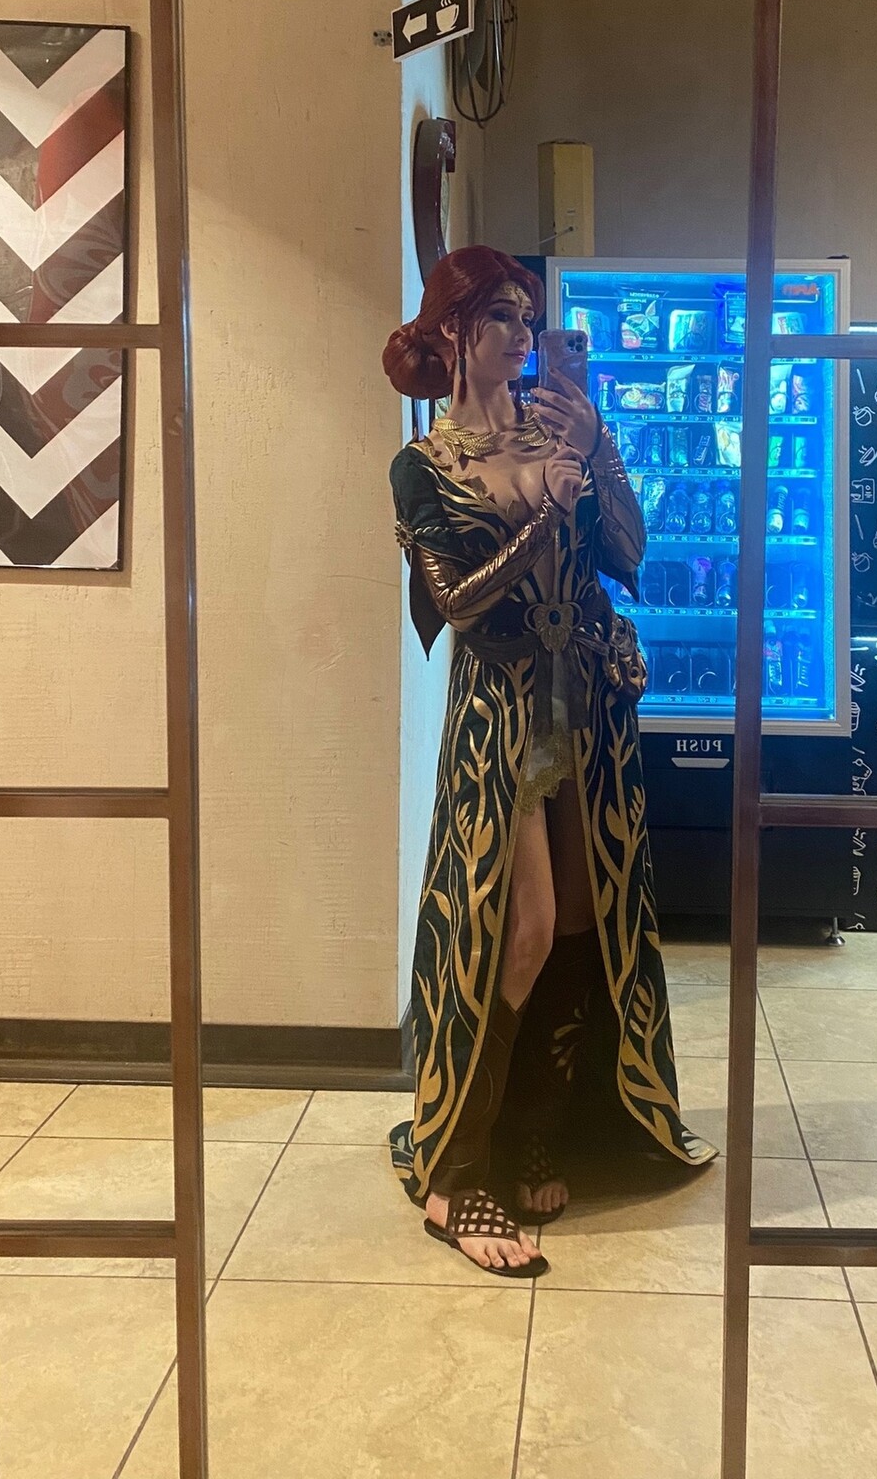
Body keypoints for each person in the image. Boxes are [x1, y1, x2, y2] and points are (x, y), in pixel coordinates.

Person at [382, 245, 717, 1277]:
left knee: (584, 917)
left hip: (590, 707)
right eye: (502, 317)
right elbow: (455, 600)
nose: (523, 336)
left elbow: (629, 554)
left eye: (528, 319)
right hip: (500, 716)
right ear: (453, 332)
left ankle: (540, 1126)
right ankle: (459, 1170)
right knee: (513, 927)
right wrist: (545, 517)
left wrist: (600, 449)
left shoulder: (556, 431)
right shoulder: (423, 465)